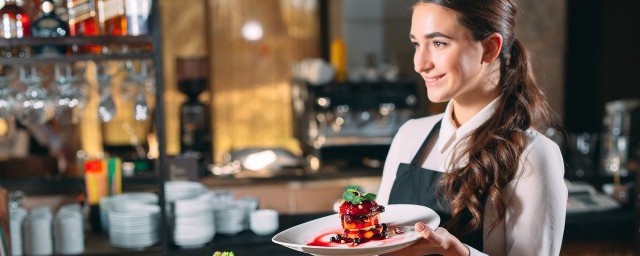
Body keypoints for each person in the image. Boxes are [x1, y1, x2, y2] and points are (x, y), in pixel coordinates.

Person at [376, 0, 567, 255]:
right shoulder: (409, 136)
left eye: (438, 43)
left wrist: (461, 253)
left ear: (489, 48)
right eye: (416, 44)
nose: (419, 64)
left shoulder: (533, 155)